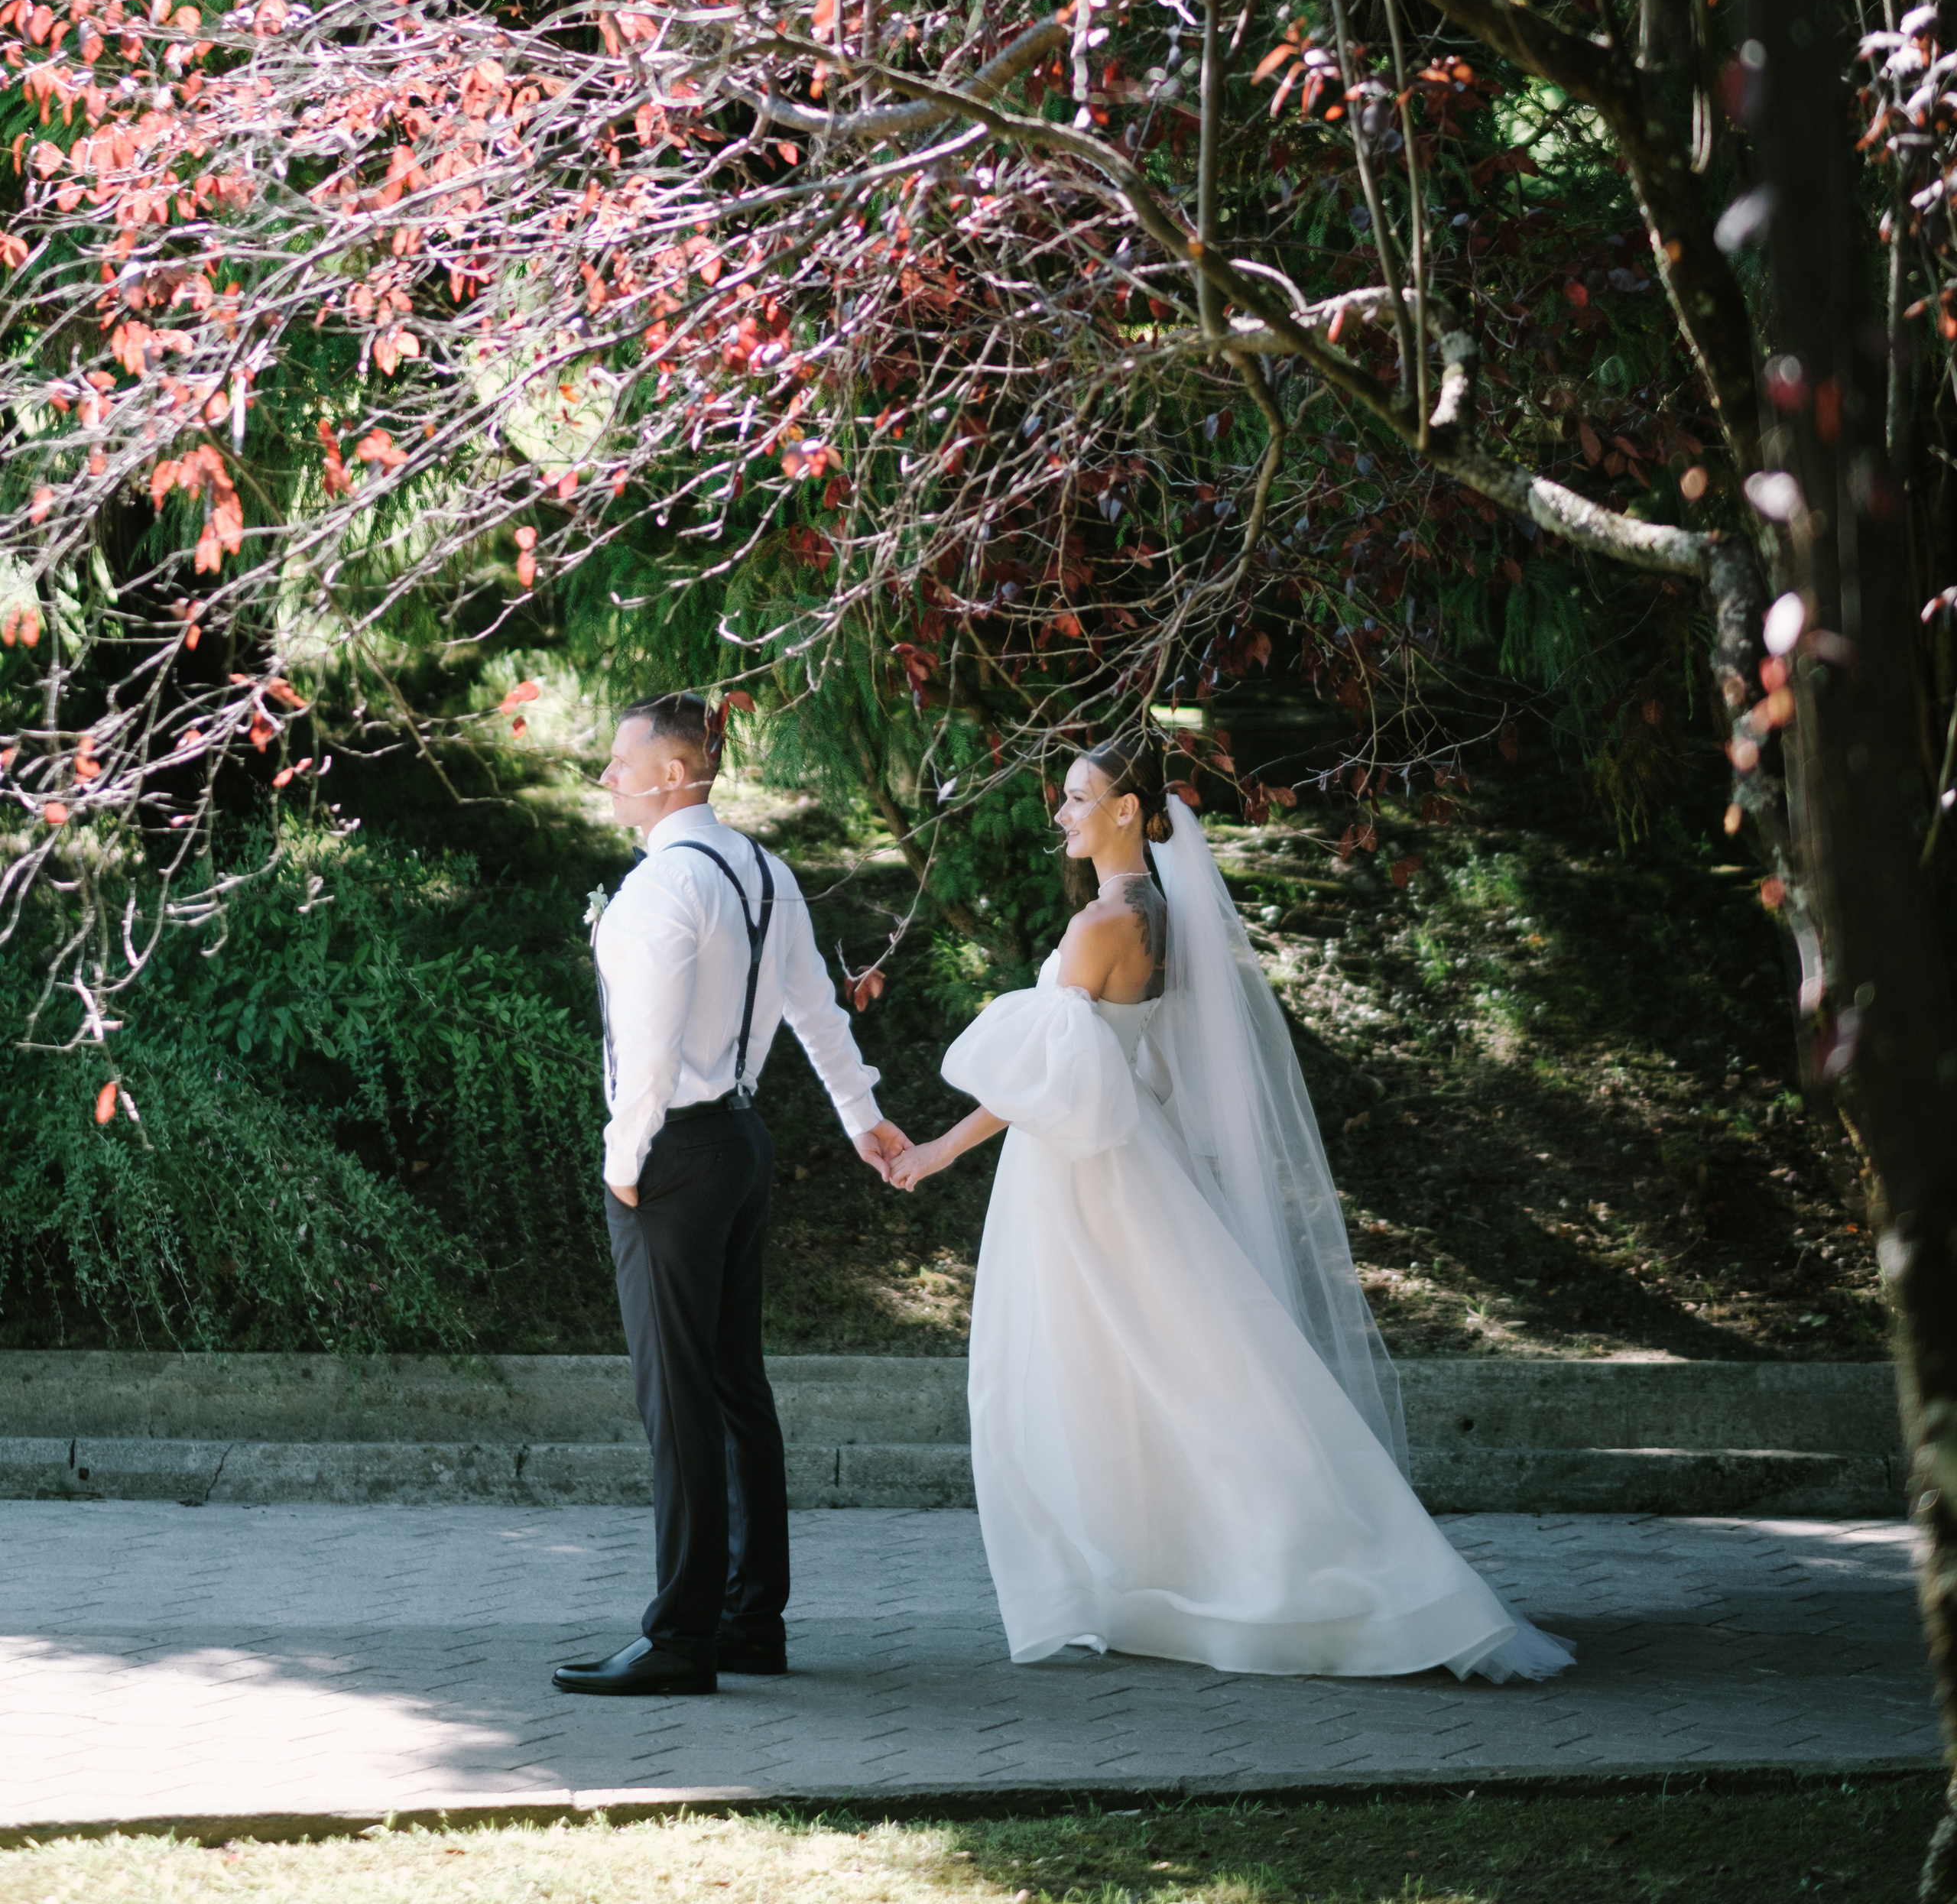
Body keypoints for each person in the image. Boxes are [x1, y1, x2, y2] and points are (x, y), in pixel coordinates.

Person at [890, 734, 1574, 1684]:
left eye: (1079, 797)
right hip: (1125, 1149)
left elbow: (1043, 1079)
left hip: (1087, 1169)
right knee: (1164, 1368)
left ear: (1126, 810)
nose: (1062, 813)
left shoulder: (1103, 922)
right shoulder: (1155, 911)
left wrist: (934, 1152)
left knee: (1127, 1373)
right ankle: (1156, 1576)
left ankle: (1242, 1570)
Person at [552, 692, 911, 1700]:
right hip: (742, 1143)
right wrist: (860, 1117)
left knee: (678, 1401)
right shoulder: (765, 871)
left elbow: (650, 1048)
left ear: (673, 774)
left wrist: (624, 1158)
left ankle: (680, 1636)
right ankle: (752, 1622)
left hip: (673, 1153)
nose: (607, 776)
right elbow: (817, 1011)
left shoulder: (662, 888)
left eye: (621, 761)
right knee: (735, 1388)